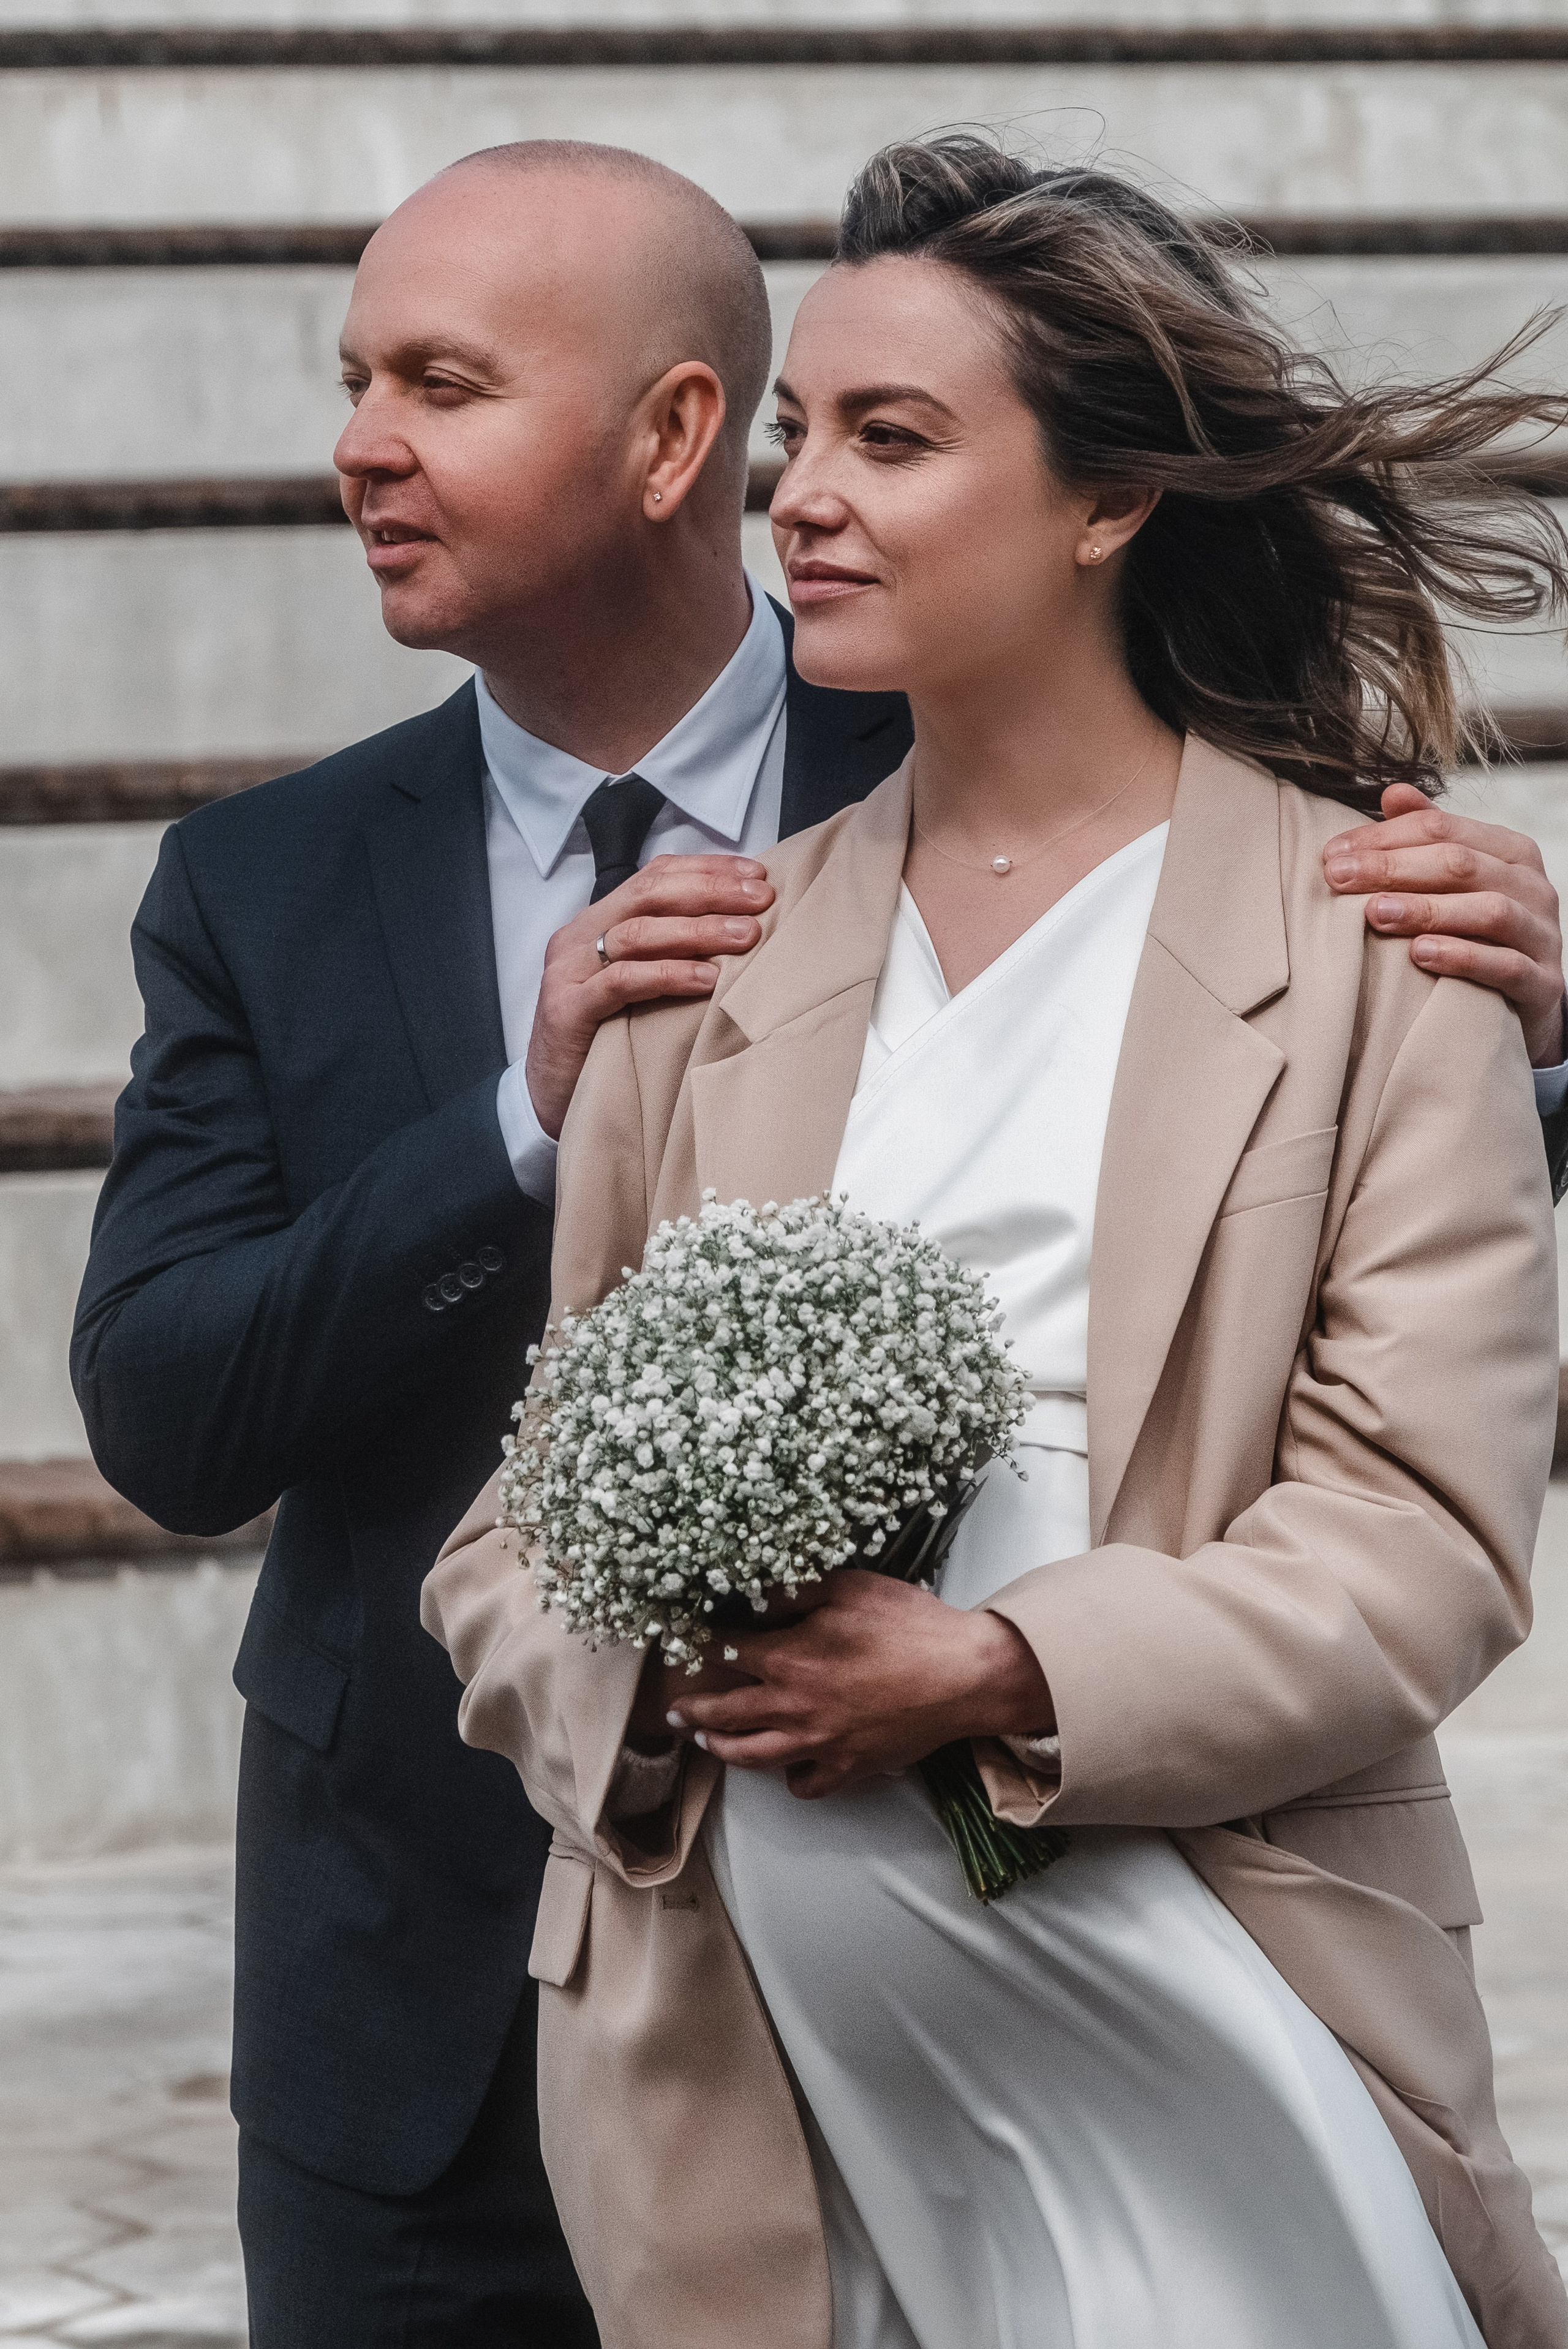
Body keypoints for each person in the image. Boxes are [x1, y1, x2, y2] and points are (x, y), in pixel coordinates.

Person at [424, 135, 1568, 2349]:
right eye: (791, 441)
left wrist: (1001, 1672)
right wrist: (666, 1672)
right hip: (773, 2077)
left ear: (1108, 500)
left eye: (892, 437)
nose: (800, 499)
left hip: (1216, 1984)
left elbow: (1428, 1535)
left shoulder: (1381, 944)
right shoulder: (714, 969)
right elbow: (505, 1540)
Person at [69, 141, 915, 2348]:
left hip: (922, 1943)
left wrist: (1527, 1024)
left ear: (671, 440)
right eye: (355, 379)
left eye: (442, 383)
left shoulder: (981, 765)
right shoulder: (259, 883)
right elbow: (169, 1411)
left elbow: (1295, 1141)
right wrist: (517, 1121)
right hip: (412, 2027)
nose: (361, 443)